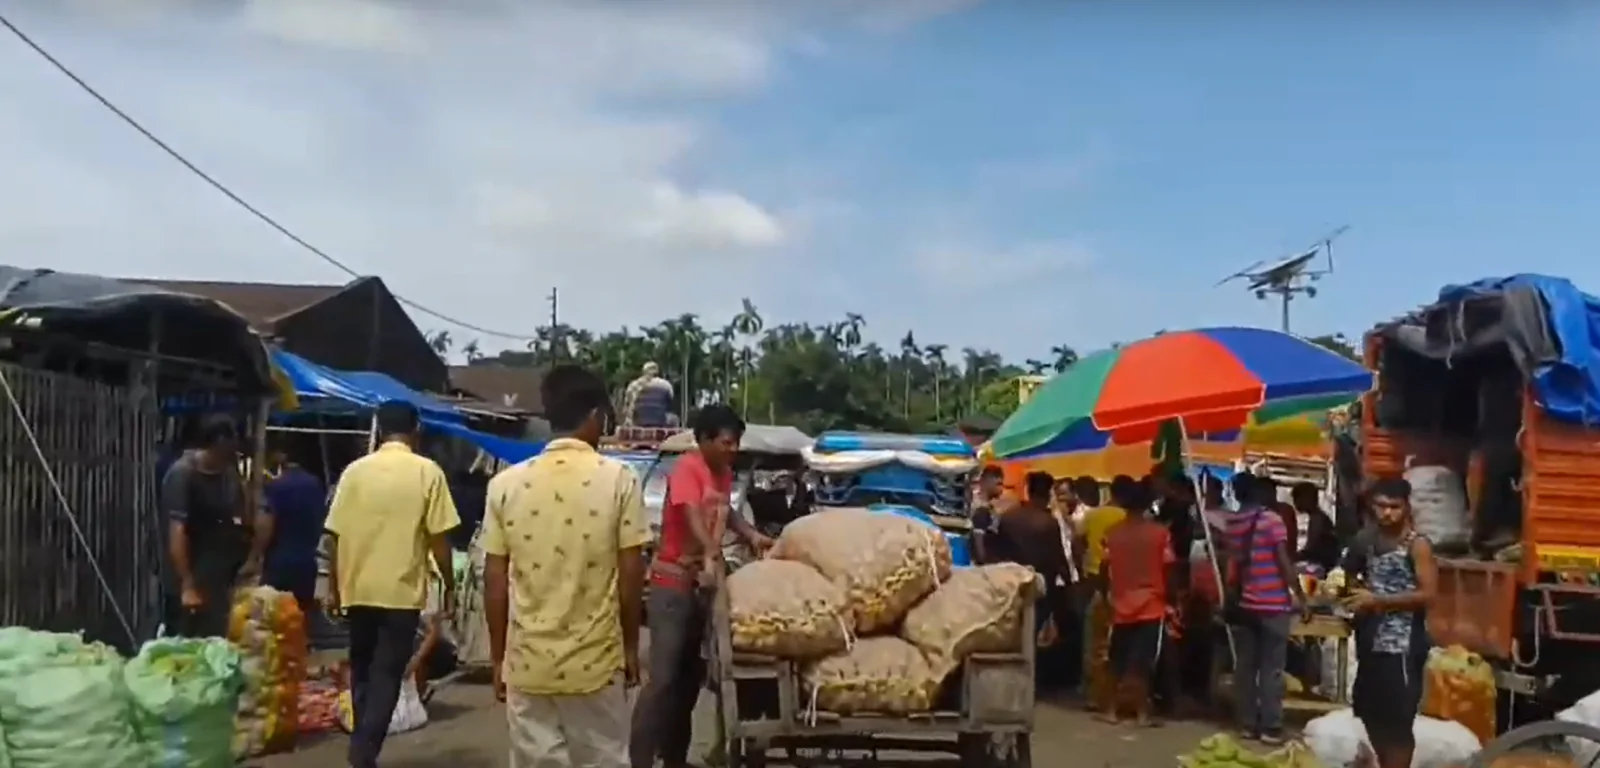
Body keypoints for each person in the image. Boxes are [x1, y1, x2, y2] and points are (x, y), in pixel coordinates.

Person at [481, 365, 646, 768]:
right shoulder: (620, 480)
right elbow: (630, 575)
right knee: (604, 759)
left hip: (528, 663)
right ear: (596, 416)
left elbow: (495, 580)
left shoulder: (505, 485)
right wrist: (629, 648)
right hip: (596, 662)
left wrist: (499, 657)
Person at [632, 404, 773, 768]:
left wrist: (753, 536)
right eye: (727, 442)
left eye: (736, 442)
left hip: (705, 584)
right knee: (663, 679)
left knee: (691, 678)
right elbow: (690, 512)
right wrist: (710, 549)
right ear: (705, 440)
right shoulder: (687, 470)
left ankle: (675, 759)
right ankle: (640, 759)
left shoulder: (724, 473)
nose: (733, 449)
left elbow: (728, 512)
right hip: (673, 582)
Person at [325, 401, 459, 768]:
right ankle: (364, 752)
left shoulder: (354, 472)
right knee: (387, 674)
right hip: (399, 593)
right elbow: (439, 541)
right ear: (416, 429)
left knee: (363, 669)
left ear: (380, 429)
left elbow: (334, 536)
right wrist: (449, 584)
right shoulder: (427, 472)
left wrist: (334, 589)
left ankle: (362, 746)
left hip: (358, 588)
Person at [1343, 478, 1436, 768]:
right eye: (1381, 506)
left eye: (1394, 507)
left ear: (1406, 508)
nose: (1386, 513)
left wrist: (1378, 601)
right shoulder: (1366, 542)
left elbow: (1428, 594)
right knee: (1372, 713)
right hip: (1370, 643)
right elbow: (1349, 577)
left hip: (1402, 647)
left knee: (1398, 723)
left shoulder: (1417, 545)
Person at [1224, 472, 1307, 746]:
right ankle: (1271, 727)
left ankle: (1247, 723)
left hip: (1247, 604)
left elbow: (1233, 566)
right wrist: (1301, 597)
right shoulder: (1272, 520)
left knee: (1246, 667)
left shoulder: (1233, 522)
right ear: (1259, 493)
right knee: (1272, 669)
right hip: (1273, 604)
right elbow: (1284, 563)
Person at [161, 414, 251, 639]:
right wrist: (187, 584)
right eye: (230, 445)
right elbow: (177, 531)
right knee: (186, 639)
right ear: (218, 442)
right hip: (189, 571)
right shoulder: (183, 474)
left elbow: (241, 513)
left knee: (216, 637)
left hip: (219, 573)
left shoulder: (229, 474)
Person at [1099, 480, 1176, 727]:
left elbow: (1104, 566)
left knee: (1116, 659)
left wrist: (1106, 592)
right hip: (1151, 604)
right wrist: (1172, 597)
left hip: (1120, 601)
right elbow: (1169, 566)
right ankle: (1142, 713)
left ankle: (1110, 710)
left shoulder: (1113, 533)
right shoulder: (1160, 533)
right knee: (1143, 661)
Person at [992, 472, 1074, 641]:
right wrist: (1069, 585)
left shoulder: (1009, 517)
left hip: (1009, 585)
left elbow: (996, 553)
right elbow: (1058, 559)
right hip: (1038, 590)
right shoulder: (1047, 523)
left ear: (1028, 491)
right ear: (1048, 493)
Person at [1077, 475, 1131, 711]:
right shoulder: (1130, 519)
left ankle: (1093, 693)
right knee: (1118, 642)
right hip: (1124, 585)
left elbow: (1077, 541)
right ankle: (1119, 694)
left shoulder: (1094, 515)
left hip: (1094, 580)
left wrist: (1084, 562)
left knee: (1094, 642)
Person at [261, 438, 326, 617]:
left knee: (274, 618)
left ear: (282, 455)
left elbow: (267, 523)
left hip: (279, 562)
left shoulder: (277, 486)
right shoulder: (316, 485)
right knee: (300, 619)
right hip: (306, 561)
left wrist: (254, 556)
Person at [970, 465, 1014, 564]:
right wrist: (984, 565)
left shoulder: (988, 507)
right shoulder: (981, 510)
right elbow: (979, 543)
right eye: (998, 484)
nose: (1001, 489)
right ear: (987, 482)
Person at [1294, 482, 1341, 571]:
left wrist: (1295, 556)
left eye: (1297, 498)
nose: (1296, 502)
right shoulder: (1317, 517)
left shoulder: (1318, 519)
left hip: (1321, 565)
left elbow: (1311, 548)